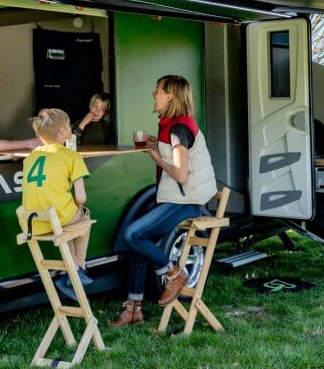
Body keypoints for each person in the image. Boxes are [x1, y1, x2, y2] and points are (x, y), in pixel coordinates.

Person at [110, 75, 218, 328]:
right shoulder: (170, 124)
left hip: (187, 201)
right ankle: (133, 310)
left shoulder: (179, 128)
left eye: (157, 90)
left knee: (133, 235)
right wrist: (155, 144)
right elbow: (173, 153)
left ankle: (172, 273)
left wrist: (155, 156)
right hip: (176, 197)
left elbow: (180, 173)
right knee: (139, 242)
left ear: (170, 96)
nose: (153, 94)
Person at [21, 108, 94, 301]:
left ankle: (75, 271)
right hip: (58, 218)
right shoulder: (72, 156)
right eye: (69, 126)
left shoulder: (31, 156)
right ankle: (79, 268)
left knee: (67, 225)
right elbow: (80, 198)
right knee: (84, 218)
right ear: (62, 131)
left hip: (33, 222)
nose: (71, 129)